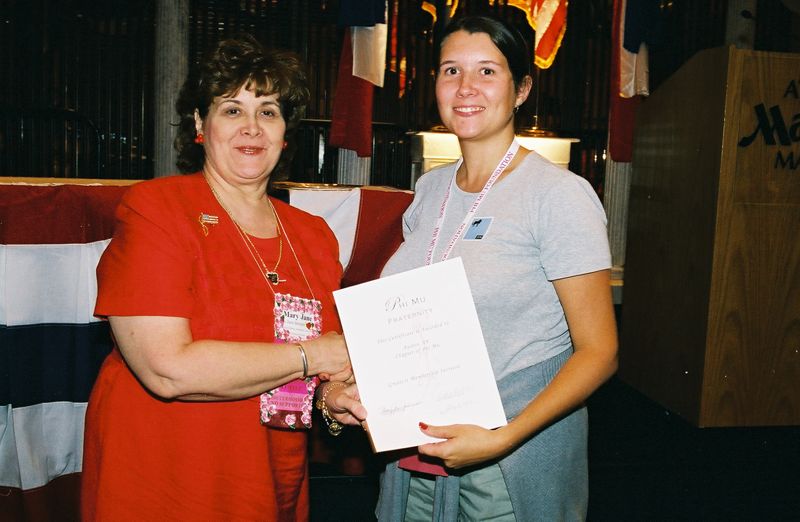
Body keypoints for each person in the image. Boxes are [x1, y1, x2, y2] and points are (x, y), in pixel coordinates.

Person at [319, 15, 618, 521]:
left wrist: (501, 439)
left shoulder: (559, 196)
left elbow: (600, 352)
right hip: (415, 454)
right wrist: (354, 387)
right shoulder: (431, 190)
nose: (465, 88)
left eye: (487, 72)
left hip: (505, 460)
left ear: (522, 89)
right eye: (451, 70)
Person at [81, 34, 352, 521]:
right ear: (199, 125)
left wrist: (336, 397)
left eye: (268, 111)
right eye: (231, 109)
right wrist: (315, 355)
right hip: (166, 475)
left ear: (286, 132)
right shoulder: (156, 210)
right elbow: (167, 370)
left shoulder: (314, 236)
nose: (252, 126)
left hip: (272, 473)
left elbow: (318, 371)